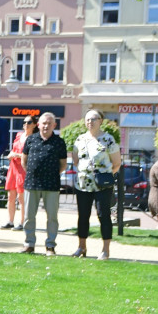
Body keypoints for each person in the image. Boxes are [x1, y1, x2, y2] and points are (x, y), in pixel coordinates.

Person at [72, 109, 122, 260]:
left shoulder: (108, 140)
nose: (90, 122)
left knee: (103, 215)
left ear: (100, 121)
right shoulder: (80, 139)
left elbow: (116, 163)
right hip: (82, 185)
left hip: (102, 186)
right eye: (87, 119)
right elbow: (76, 161)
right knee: (83, 216)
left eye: (93, 119)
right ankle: (82, 247)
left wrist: (104, 176)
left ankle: (105, 250)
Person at [20, 112, 66, 256]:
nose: (46, 126)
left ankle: (50, 246)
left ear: (54, 125)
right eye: (43, 123)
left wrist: (51, 173)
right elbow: (24, 160)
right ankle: (29, 244)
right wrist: (33, 173)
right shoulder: (31, 139)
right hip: (31, 183)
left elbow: (63, 164)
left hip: (51, 184)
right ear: (38, 124)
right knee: (29, 216)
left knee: (52, 217)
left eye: (49, 123)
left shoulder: (59, 142)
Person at [2, 116, 35, 230]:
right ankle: (10, 221)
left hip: (23, 168)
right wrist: (11, 154)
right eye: (24, 122)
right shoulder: (19, 135)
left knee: (21, 197)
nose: (26, 124)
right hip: (13, 167)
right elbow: (14, 148)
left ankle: (22, 222)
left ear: (34, 124)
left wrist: (16, 155)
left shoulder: (34, 138)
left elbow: (31, 155)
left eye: (29, 122)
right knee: (10, 196)